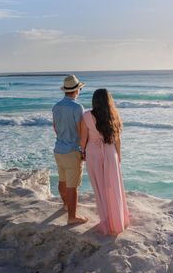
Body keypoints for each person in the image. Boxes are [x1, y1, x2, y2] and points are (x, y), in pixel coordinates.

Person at [80, 89, 130, 235]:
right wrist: (118, 156)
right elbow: (117, 139)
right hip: (111, 152)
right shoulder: (114, 114)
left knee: (100, 188)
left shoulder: (87, 115)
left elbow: (83, 139)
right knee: (113, 187)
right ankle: (119, 219)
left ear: (94, 101)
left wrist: (81, 152)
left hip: (93, 153)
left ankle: (106, 221)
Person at [52, 74, 88, 225]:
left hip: (58, 149)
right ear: (77, 90)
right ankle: (72, 217)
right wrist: (84, 150)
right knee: (72, 187)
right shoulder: (77, 107)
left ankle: (66, 205)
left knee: (62, 180)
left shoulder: (56, 106)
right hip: (72, 150)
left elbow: (55, 127)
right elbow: (81, 131)